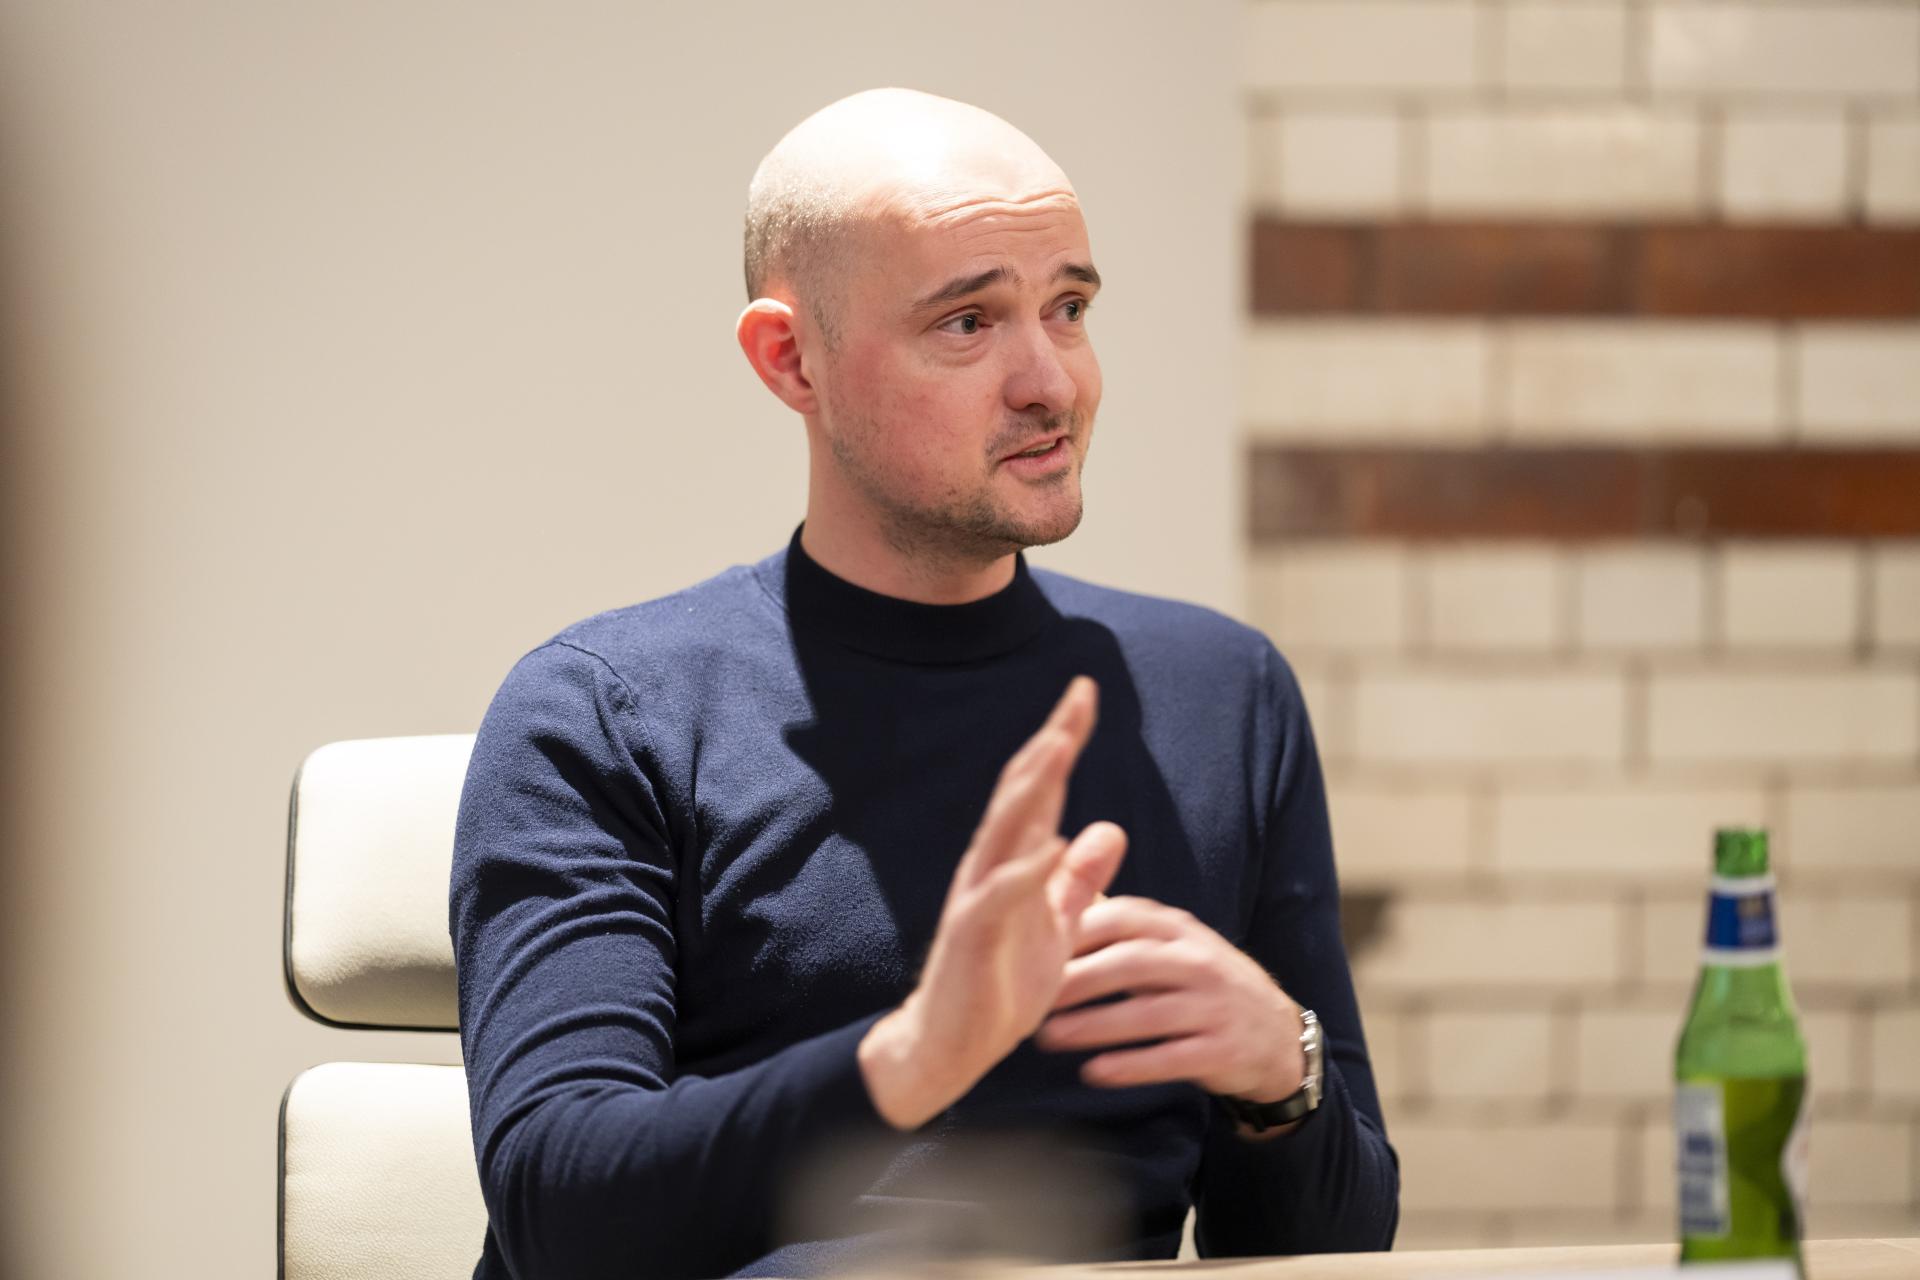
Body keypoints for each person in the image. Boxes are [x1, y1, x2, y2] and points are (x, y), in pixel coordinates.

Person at [449, 88, 1398, 1280]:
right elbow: (561, 1214)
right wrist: (911, 1059)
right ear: (792, 359)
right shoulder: (600, 712)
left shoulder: (1221, 693)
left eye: (1069, 308)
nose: (1051, 382)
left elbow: (1328, 1253)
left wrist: (1279, 1076)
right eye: (968, 322)